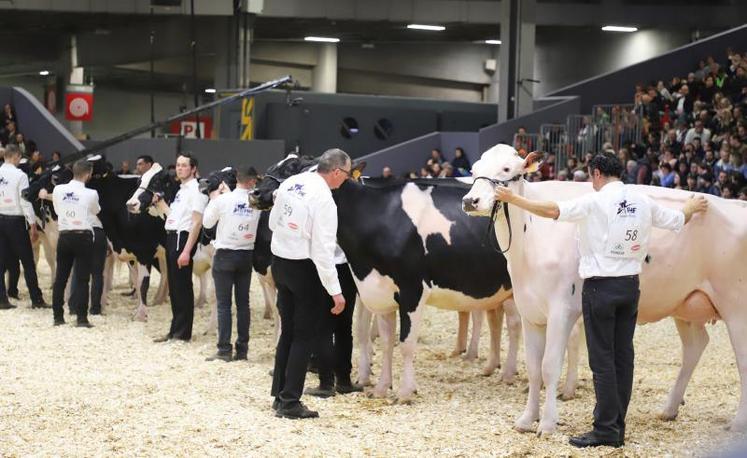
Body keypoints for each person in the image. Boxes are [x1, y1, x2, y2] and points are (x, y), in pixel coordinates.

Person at [494, 152, 708, 448]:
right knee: (623, 357)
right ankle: (617, 422)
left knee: (603, 360)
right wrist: (691, 207)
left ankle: (606, 430)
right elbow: (675, 221)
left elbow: (551, 210)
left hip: (600, 287)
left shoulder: (593, 201)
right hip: (630, 287)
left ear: (596, 174)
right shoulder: (641, 201)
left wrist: (515, 199)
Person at [269, 148, 349, 420]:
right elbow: (323, 250)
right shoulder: (325, 198)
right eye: (346, 175)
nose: (345, 181)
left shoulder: (292, 182)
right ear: (336, 171)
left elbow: (272, 221)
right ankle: (291, 401)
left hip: (280, 261)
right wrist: (336, 292)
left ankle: (279, 395)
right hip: (305, 268)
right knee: (304, 336)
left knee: (288, 332)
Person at [202, 165, 261, 362]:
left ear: (236, 178)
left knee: (224, 304)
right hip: (246, 254)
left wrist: (214, 198)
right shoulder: (257, 201)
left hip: (225, 254)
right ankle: (242, 350)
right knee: (243, 304)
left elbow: (207, 223)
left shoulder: (223, 200)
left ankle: (224, 350)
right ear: (253, 181)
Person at [152, 153, 207, 342]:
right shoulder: (181, 190)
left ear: (193, 169)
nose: (180, 168)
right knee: (174, 287)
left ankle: (183, 334)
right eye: (178, 165)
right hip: (172, 236)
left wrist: (186, 251)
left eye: (184, 165)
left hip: (182, 240)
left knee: (182, 286)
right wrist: (159, 203)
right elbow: (172, 217)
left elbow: (197, 222)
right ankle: (174, 330)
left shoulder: (197, 190)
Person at [304, 246, 363, 398]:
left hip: (325, 267)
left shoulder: (324, 220)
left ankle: (326, 383)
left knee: (324, 329)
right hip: (347, 268)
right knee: (344, 328)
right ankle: (344, 380)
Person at [50, 159, 101, 327]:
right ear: (88, 175)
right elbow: (95, 211)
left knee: (60, 278)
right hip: (83, 237)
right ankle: (81, 318)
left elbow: (57, 210)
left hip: (64, 235)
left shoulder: (58, 189)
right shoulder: (91, 193)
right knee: (82, 278)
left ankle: (58, 317)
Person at [0, 145, 47, 309]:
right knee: (27, 261)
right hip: (15, 220)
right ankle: (36, 299)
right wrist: (33, 224)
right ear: (15, 157)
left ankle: (2, 299)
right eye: (19, 158)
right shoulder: (20, 175)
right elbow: (25, 201)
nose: (20, 161)